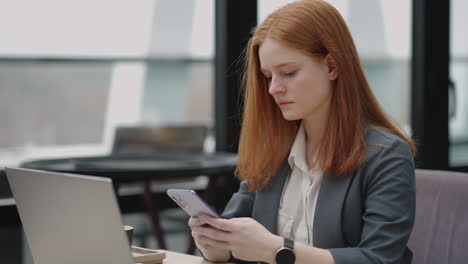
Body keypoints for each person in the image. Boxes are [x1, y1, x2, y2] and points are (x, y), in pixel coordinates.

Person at [189, 0, 416, 263]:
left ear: (332, 67)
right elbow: (234, 238)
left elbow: (379, 258)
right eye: (267, 76)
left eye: (288, 72)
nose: (274, 88)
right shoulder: (272, 152)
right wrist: (215, 247)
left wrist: (275, 249)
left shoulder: (386, 156)